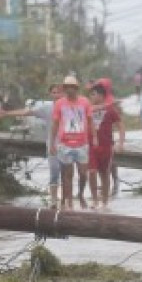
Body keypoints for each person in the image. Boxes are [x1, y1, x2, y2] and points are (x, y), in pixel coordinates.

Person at [0, 84, 63, 208]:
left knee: (68, 173)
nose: (56, 95)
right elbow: (27, 112)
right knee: (54, 172)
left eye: (59, 92)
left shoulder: (71, 106)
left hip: (70, 145)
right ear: (50, 94)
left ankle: (68, 200)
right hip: (53, 144)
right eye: (54, 92)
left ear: (63, 94)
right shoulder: (47, 108)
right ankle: (54, 201)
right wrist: (7, 113)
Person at [50, 75, 96, 210]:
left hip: (82, 143)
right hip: (65, 143)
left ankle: (80, 194)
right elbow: (55, 123)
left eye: (72, 88)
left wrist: (94, 137)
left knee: (83, 173)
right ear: (64, 89)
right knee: (67, 174)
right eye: (67, 88)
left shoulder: (85, 102)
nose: (69, 90)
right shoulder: (59, 104)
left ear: (76, 89)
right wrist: (52, 142)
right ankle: (69, 201)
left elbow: (90, 121)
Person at [84, 78, 124, 210]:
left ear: (101, 96)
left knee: (105, 174)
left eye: (94, 94)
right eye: (90, 95)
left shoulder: (110, 111)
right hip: (91, 146)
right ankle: (95, 199)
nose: (91, 97)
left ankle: (105, 201)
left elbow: (120, 125)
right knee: (92, 172)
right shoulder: (88, 108)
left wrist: (121, 143)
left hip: (106, 146)